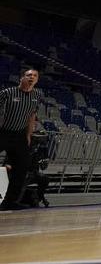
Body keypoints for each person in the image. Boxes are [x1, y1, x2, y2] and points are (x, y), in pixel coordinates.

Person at [0, 69, 41, 210]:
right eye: (29, 75)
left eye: (35, 76)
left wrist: (28, 135)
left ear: (37, 80)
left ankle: (9, 202)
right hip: (3, 132)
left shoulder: (37, 95)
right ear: (22, 78)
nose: (32, 77)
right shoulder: (8, 92)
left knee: (21, 169)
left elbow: (32, 116)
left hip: (20, 135)